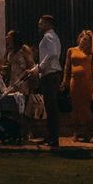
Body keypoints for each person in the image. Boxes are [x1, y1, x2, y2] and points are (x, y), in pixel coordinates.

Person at [29, 15, 64, 149]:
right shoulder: (52, 37)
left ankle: (53, 138)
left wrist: (39, 68)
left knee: (51, 107)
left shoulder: (48, 37)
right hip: (50, 74)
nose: (39, 26)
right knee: (50, 107)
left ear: (48, 24)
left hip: (50, 74)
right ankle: (51, 136)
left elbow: (52, 55)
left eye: (41, 23)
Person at [64, 30, 93, 142]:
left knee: (86, 107)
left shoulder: (90, 52)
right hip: (74, 81)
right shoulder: (71, 50)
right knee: (75, 107)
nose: (84, 40)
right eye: (83, 38)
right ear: (79, 38)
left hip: (86, 82)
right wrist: (65, 79)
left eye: (87, 40)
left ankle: (88, 132)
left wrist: (92, 36)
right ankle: (76, 132)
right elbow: (67, 66)